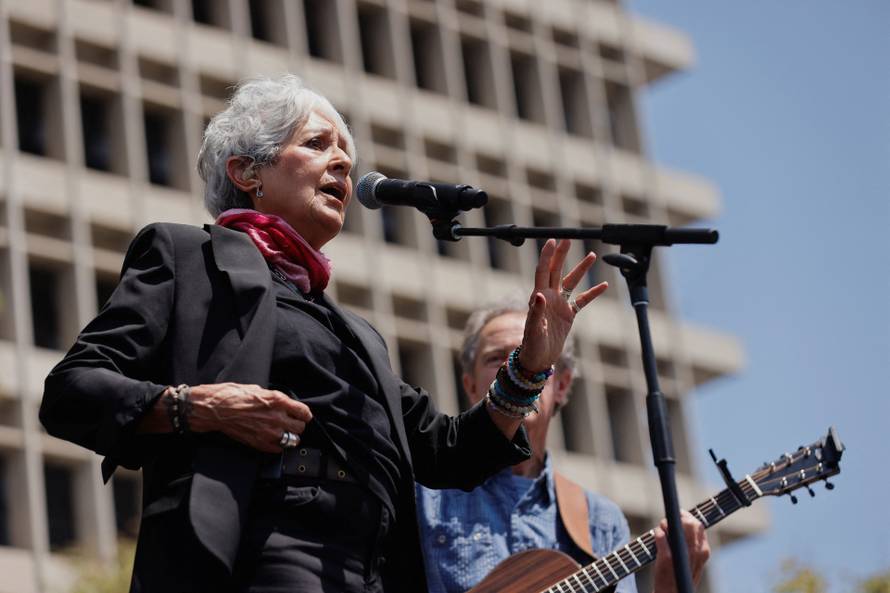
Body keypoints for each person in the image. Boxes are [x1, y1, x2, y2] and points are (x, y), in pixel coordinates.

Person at [39, 74, 609, 593]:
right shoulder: (190, 258)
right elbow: (72, 390)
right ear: (248, 172)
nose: (341, 164)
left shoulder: (357, 334)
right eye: (317, 145)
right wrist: (198, 406)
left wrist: (531, 366)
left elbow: (449, 452)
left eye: (345, 153)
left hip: (373, 569)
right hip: (266, 551)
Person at [416, 301, 711, 593]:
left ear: (562, 384)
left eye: (532, 359)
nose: (515, 371)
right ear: (469, 386)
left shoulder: (599, 521)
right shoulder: (424, 495)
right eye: (496, 359)